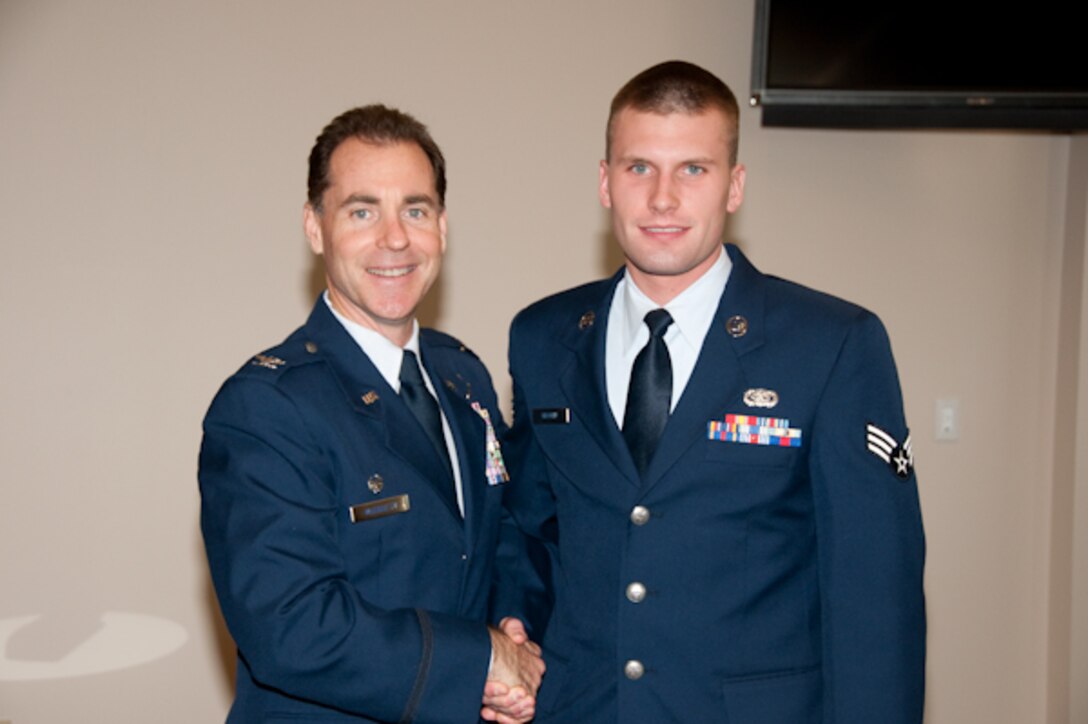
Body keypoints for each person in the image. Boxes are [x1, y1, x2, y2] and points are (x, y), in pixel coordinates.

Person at [496, 61, 926, 722]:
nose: (663, 199)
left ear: (734, 186)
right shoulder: (542, 335)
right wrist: (513, 629)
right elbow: (530, 531)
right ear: (605, 182)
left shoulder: (831, 344)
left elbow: (874, 597)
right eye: (639, 168)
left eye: (693, 169)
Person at [199, 104, 543, 723]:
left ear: (442, 225)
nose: (395, 238)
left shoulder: (463, 375)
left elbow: (501, 539)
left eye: (415, 209)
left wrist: (513, 630)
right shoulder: (265, 407)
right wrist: (480, 658)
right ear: (314, 227)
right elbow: (292, 627)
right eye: (363, 211)